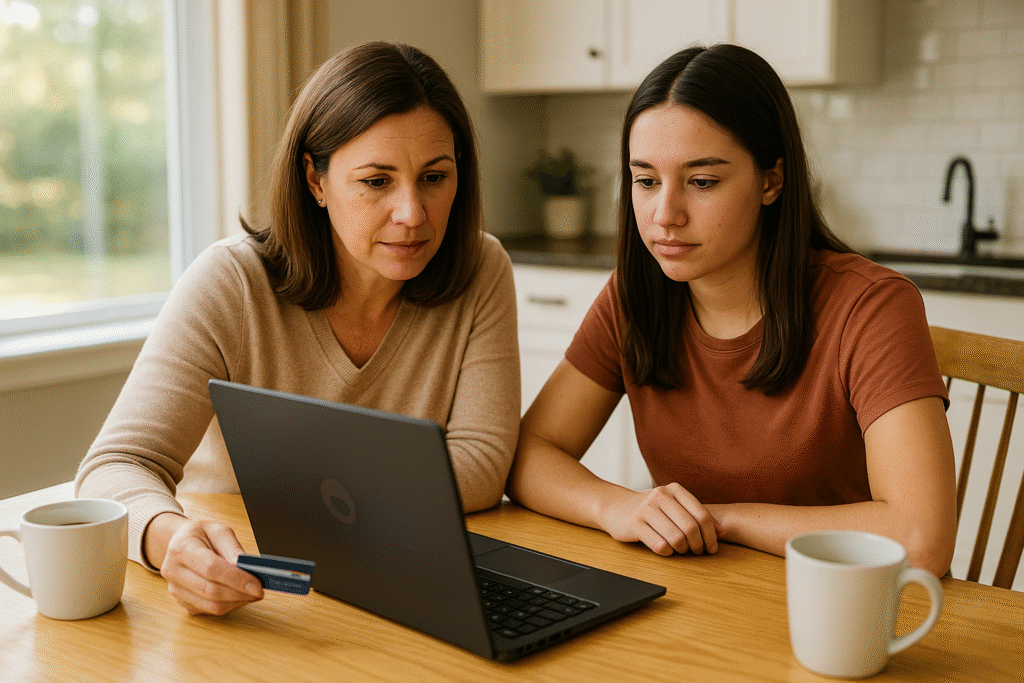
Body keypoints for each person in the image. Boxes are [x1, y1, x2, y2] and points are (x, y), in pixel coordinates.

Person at [76, 42, 520, 615]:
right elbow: (116, 465)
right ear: (315, 179)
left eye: (435, 177)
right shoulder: (230, 282)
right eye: (377, 181)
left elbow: (483, 465)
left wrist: (323, 503)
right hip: (245, 589)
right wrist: (170, 539)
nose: (413, 213)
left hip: (395, 586)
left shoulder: (482, 268)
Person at [506, 43, 957, 577]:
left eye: (701, 182)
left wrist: (724, 520)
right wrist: (620, 508)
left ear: (771, 180)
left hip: (845, 614)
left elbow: (922, 537)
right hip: (700, 603)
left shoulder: (871, 307)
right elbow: (530, 454)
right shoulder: (635, 295)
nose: (664, 214)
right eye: (646, 180)